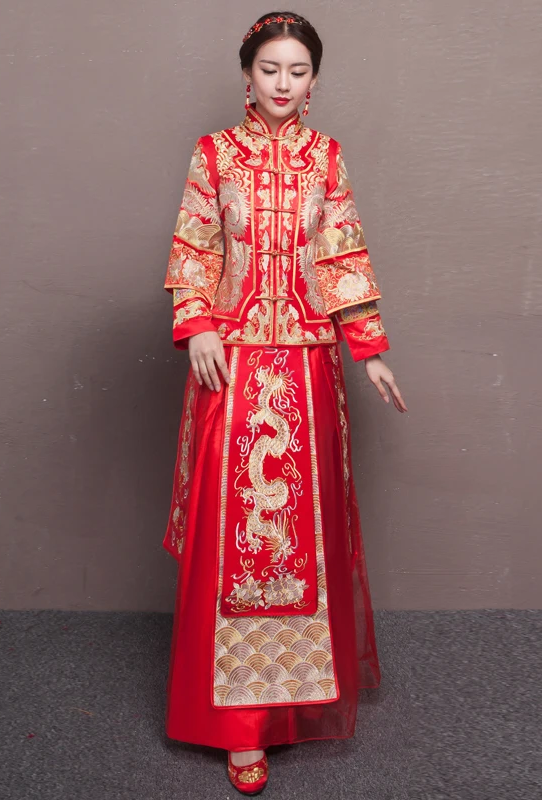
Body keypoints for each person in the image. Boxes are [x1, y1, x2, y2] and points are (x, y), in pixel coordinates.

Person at [161, 11, 407, 795]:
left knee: (301, 545)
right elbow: (195, 245)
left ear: (314, 80)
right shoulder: (214, 154)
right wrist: (198, 324)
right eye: (270, 68)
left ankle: (290, 706)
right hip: (232, 368)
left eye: (297, 71)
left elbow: (342, 254)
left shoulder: (325, 158)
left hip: (306, 368)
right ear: (248, 74)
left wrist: (368, 349)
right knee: (235, 547)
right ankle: (239, 727)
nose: (283, 83)